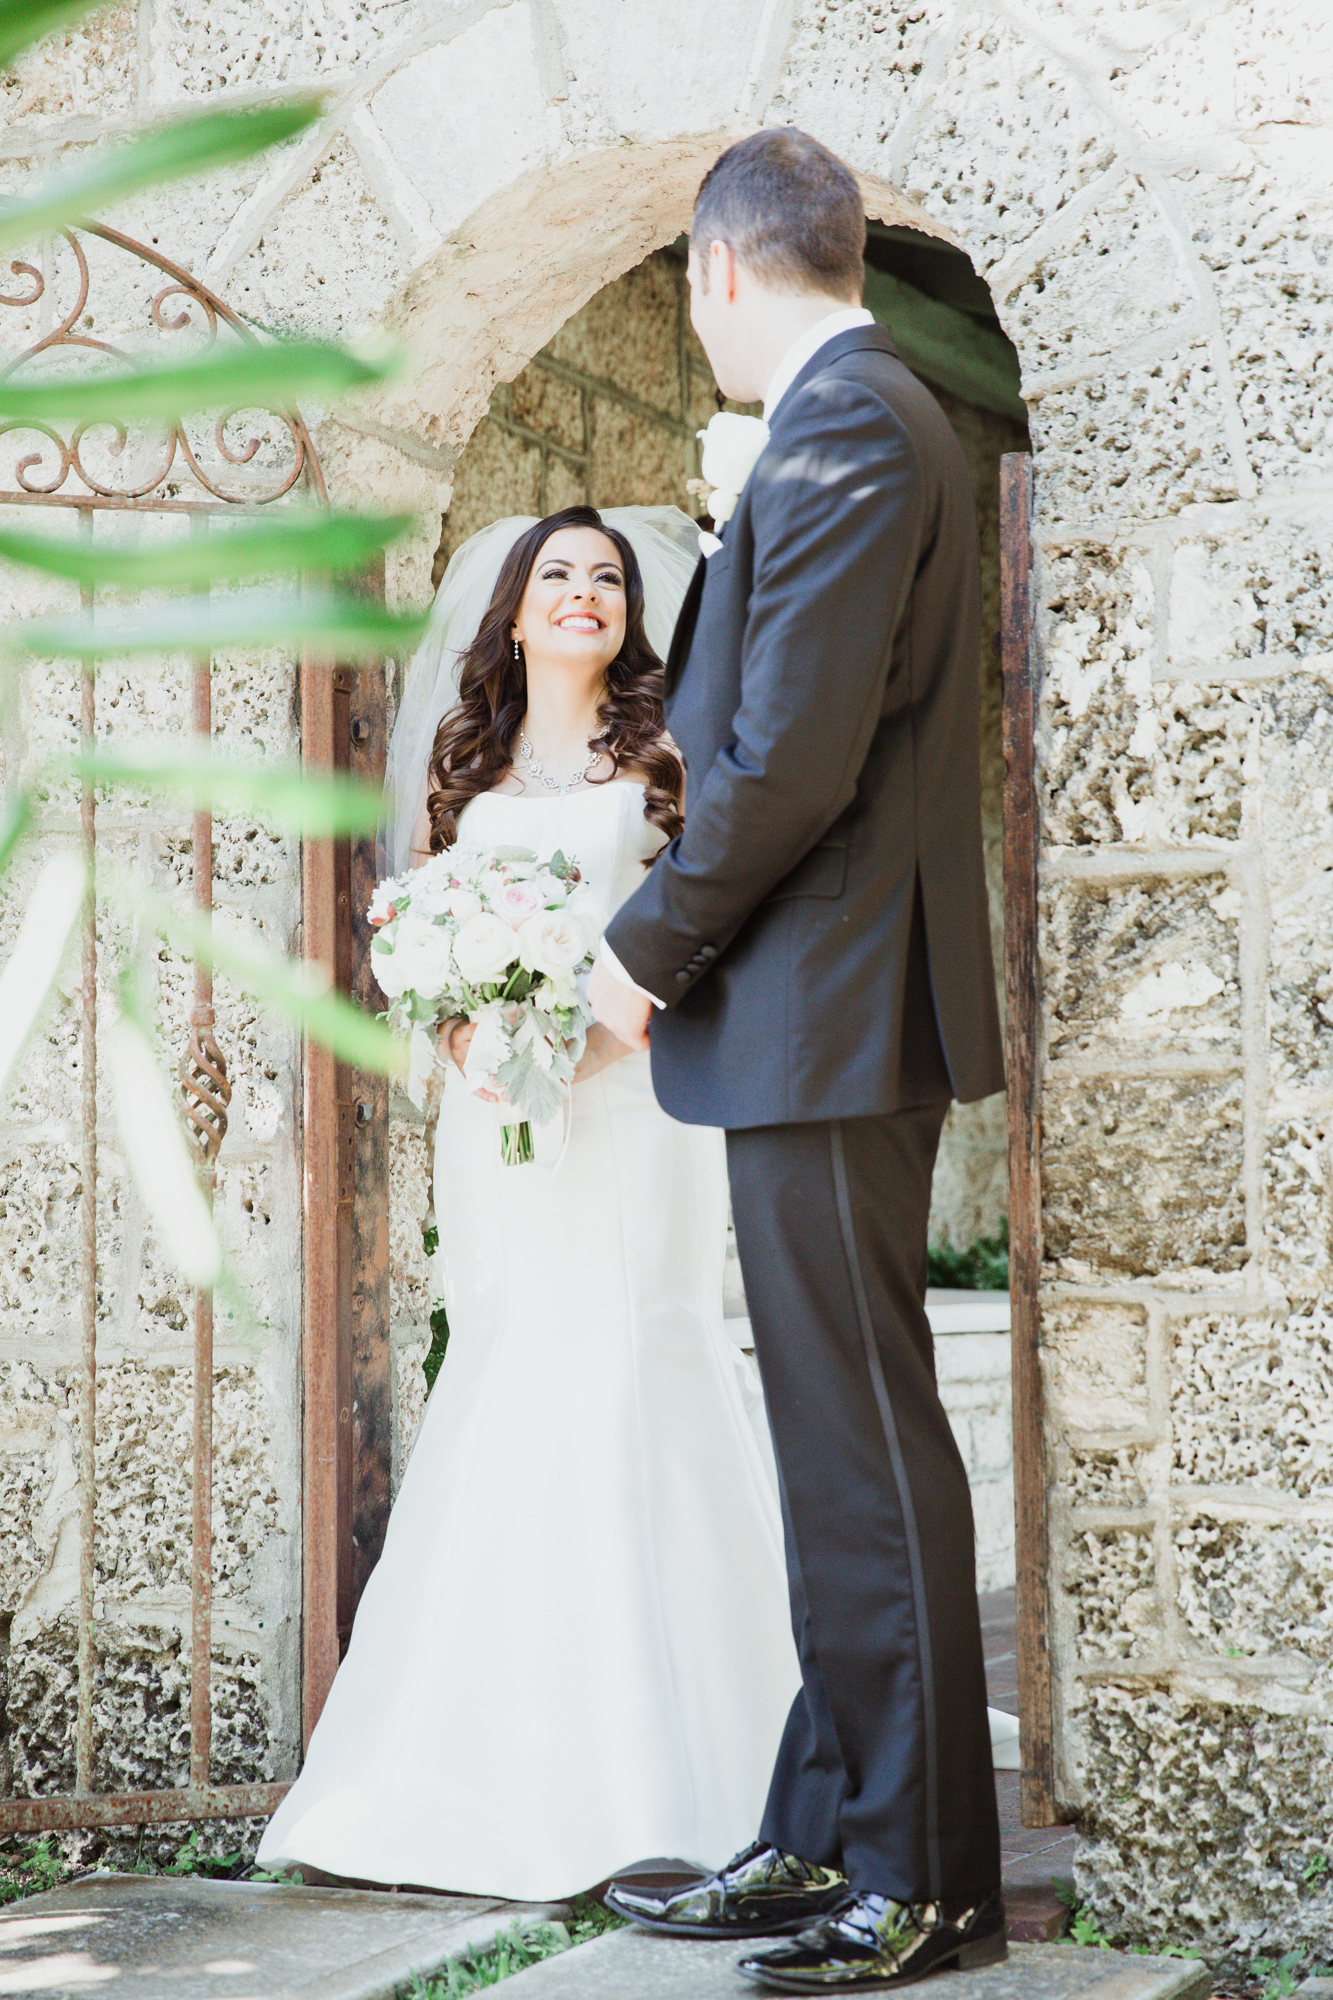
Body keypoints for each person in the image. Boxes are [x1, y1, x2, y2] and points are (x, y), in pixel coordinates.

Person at [592, 131, 1009, 1993]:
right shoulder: (863, 417)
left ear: (719, 271)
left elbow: (786, 761)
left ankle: (916, 1879)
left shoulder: (847, 425)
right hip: (821, 1011)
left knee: (857, 1446)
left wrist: (640, 959)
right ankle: (824, 1828)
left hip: (828, 1011)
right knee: (829, 1443)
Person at [255, 505, 803, 1900]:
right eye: (556, 574)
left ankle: (693, 1759)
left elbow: (703, 924)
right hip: (495, 1114)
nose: (582, 592)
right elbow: (420, 931)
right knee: (510, 1364)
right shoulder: (467, 764)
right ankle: (470, 1757)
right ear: (511, 610)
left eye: (605, 578)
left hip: (635, 1109)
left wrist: (588, 1044)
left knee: (638, 1356)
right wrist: (470, 1039)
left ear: (630, 612)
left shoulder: (666, 754)